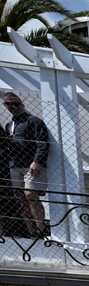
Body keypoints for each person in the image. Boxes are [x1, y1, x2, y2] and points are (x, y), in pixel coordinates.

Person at [2, 91, 51, 239]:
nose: (13, 107)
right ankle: (31, 230)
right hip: (14, 164)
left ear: (22, 104)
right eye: (9, 104)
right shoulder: (9, 124)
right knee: (20, 197)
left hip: (30, 165)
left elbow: (42, 142)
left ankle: (41, 228)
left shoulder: (33, 121)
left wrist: (37, 161)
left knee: (31, 194)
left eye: (16, 103)